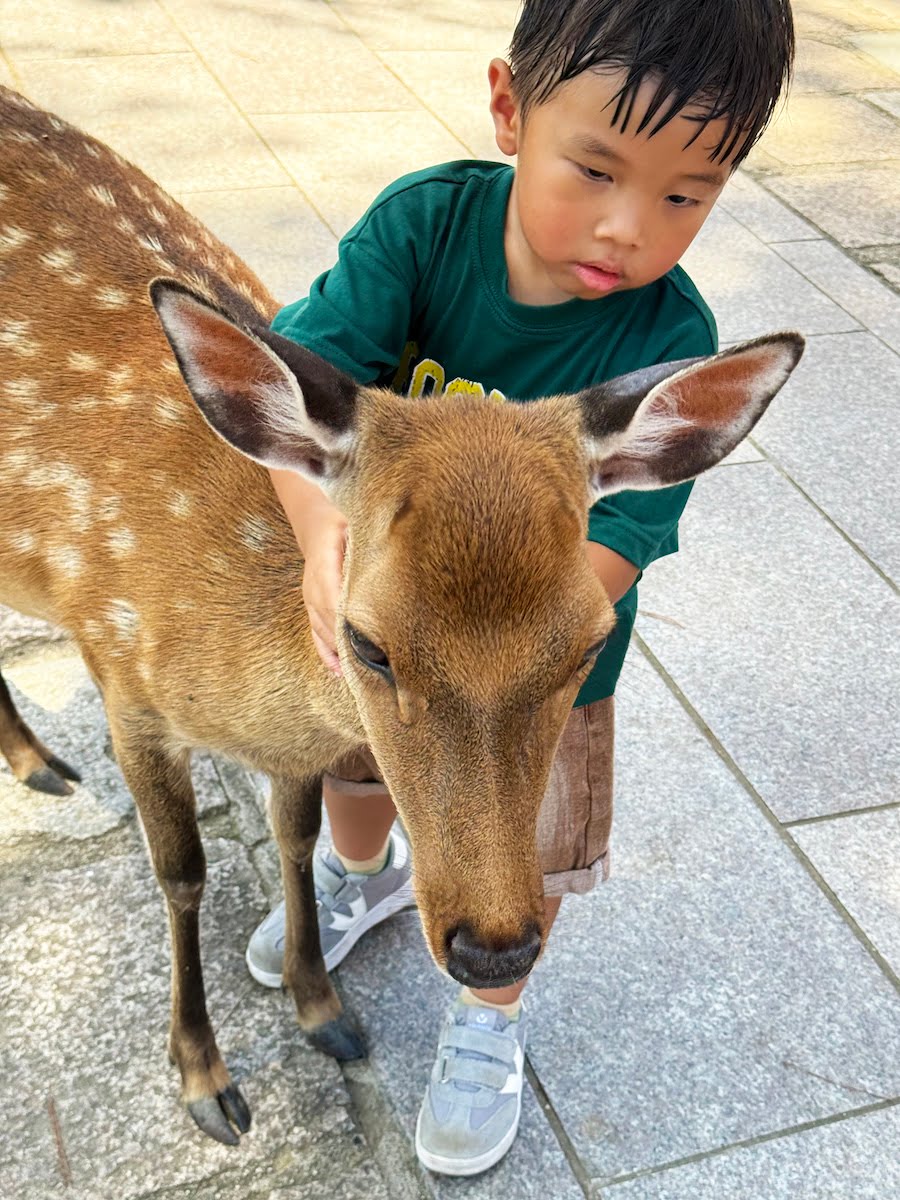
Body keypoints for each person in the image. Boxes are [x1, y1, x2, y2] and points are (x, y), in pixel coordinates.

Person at [246, 0, 796, 1177]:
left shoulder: (666, 338)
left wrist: (535, 651)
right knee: (356, 761)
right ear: (509, 108)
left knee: (525, 847)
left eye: (685, 196)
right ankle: (362, 876)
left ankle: (488, 1022)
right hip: (392, 649)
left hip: (550, 677)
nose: (625, 227)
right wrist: (318, 551)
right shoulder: (423, 232)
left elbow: (624, 536)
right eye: (595, 168)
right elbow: (308, 407)